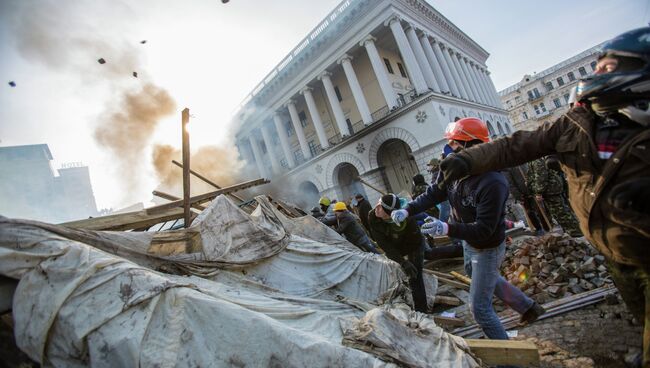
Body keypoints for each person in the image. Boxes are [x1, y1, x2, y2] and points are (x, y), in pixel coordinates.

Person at [436, 27, 650, 368]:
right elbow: (516, 146)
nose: (596, 76)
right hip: (613, 253)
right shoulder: (575, 123)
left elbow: (485, 224)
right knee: (640, 316)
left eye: (608, 69)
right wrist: (466, 161)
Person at [391, 117, 545, 341]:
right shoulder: (457, 171)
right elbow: (435, 193)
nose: (449, 149)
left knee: (480, 309)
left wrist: (447, 228)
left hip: (487, 247)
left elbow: (484, 230)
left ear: (470, 144)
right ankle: (528, 307)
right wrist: (409, 209)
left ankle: (509, 360)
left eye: (454, 143)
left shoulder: (492, 183)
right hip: (469, 242)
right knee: (476, 274)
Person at [368, 194, 428, 313]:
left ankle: (422, 311)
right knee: (399, 273)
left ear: (389, 212)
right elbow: (384, 244)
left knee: (415, 276)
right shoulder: (373, 216)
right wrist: (402, 261)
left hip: (413, 245)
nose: (376, 208)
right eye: (378, 204)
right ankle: (405, 305)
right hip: (393, 245)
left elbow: (414, 243)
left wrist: (409, 261)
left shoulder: (407, 220)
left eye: (381, 207)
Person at [527, 157, 583, 237]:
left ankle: (576, 232)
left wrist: (538, 192)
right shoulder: (533, 159)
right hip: (550, 190)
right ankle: (572, 231)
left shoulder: (536, 160)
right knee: (559, 213)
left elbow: (541, 176)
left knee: (562, 213)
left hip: (551, 190)